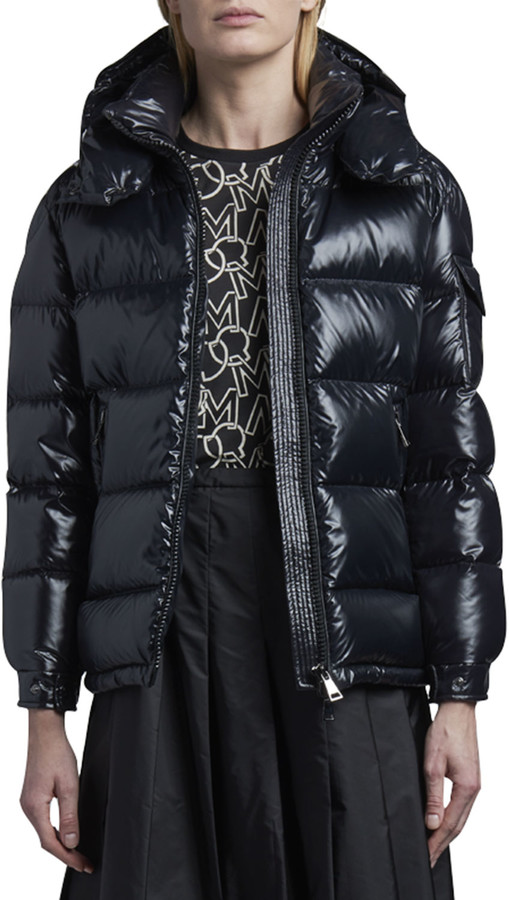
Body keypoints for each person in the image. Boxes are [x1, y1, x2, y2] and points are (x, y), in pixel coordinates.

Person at [2, 2, 505, 899]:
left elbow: (447, 465)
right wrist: (43, 711)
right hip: (157, 634)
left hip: (348, 632)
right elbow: (48, 477)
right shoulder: (87, 204)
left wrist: (460, 694)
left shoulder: (406, 192)